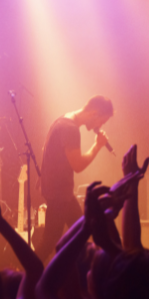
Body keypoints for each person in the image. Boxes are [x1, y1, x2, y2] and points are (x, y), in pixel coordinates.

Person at [37, 96, 114, 261]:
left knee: (82, 232)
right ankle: (26, 277)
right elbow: (78, 166)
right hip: (58, 195)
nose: (100, 126)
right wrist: (97, 146)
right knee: (50, 242)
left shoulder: (64, 120)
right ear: (94, 113)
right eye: (102, 121)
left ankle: (78, 274)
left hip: (62, 193)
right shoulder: (70, 129)